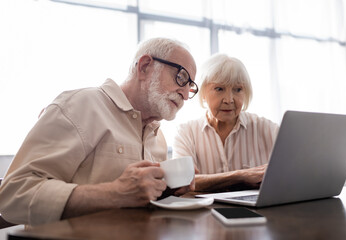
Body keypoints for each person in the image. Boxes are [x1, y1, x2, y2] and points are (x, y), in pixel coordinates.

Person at [0, 38, 198, 225]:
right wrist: (115, 192)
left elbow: (138, 200)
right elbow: (13, 194)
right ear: (145, 66)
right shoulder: (79, 106)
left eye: (190, 87)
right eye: (181, 77)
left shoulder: (158, 138)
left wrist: (165, 191)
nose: (185, 94)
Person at [172, 53, 279, 192]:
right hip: (204, 212)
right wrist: (242, 176)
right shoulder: (186, 132)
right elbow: (183, 182)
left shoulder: (268, 129)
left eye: (238, 89)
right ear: (203, 92)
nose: (229, 99)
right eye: (219, 89)